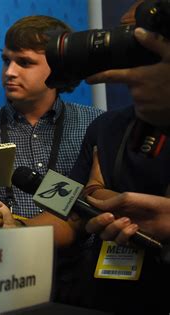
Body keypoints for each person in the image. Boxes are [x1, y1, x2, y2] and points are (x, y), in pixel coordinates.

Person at [0, 15, 102, 247]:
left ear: (59, 66)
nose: (10, 72)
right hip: (8, 268)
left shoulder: (93, 123)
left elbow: (100, 209)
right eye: (6, 61)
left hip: (80, 269)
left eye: (24, 62)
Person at [65, 1, 170, 312]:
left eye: (140, 38)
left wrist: (105, 193)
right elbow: (67, 201)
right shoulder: (106, 125)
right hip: (111, 294)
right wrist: (16, 231)